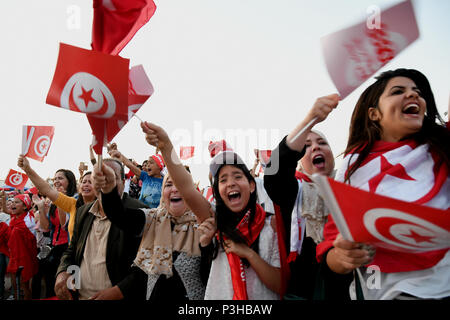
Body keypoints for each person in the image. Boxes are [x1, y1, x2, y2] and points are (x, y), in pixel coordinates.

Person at [316, 68, 450, 300]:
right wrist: (343, 257)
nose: (413, 95)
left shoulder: (442, 147)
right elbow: (332, 245)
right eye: (398, 91)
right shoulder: (353, 164)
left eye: (417, 92)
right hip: (382, 293)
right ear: (374, 114)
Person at [140, 121, 286, 300]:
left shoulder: (269, 224)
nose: (230, 183)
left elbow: (280, 285)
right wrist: (166, 146)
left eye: (237, 176)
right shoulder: (215, 220)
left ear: (252, 185)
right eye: (223, 180)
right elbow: (186, 187)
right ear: (218, 192)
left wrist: (248, 253)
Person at [263, 94, 350, 300]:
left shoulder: (352, 187)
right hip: (307, 291)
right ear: (299, 161)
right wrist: (311, 119)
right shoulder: (294, 190)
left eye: (322, 143)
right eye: (307, 145)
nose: (316, 147)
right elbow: (274, 173)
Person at [93, 163, 207, 301]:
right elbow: (119, 215)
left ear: (192, 191)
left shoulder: (205, 222)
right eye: (169, 185)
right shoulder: (153, 218)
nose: (175, 189)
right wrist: (108, 186)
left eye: (182, 184)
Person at [55, 158, 148, 300]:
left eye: (112, 177)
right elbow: (72, 250)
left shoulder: (140, 212)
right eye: (99, 178)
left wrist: (119, 291)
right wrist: (62, 272)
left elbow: (148, 264)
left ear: (123, 182)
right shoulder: (83, 212)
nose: (105, 183)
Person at [17, 155, 80, 298]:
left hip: (69, 249)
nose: (56, 181)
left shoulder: (75, 200)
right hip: (54, 246)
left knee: (70, 287)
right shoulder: (50, 202)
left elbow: (64, 226)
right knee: (50, 283)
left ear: (70, 181)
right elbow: (45, 227)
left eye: (61, 178)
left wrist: (59, 201)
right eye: (55, 178)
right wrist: (41, 208)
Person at [5, 193, 38, 300]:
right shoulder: (13, 219)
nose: (13, 204)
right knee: (15, 287)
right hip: (14, 256)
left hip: (26, 258)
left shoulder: (30, 220)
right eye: (12, 202)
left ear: (25, 206)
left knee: (25, 287)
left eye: (17, 202)